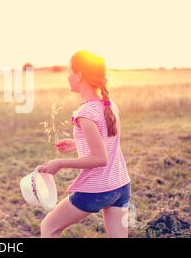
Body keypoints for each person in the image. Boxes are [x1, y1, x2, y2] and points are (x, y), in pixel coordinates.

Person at [38, 50, 131, 238]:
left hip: (97, 189)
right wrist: (77, 142)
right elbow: (107, 140)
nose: (67, 75)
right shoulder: (109, 104)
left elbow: (100, 158)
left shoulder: (85, 113)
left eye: (69, 70)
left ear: (79, 75)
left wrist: (61, 163)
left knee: (49, 227)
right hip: (120, 185)